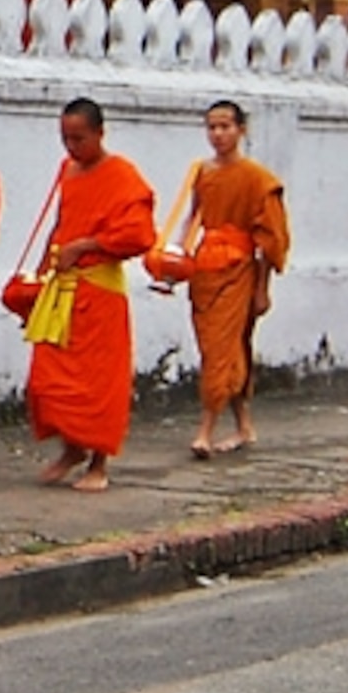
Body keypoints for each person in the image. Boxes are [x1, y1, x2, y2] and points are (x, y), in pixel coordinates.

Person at [23, 96, 157, 491]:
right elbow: (62, 221)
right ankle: (71, 448)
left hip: (99, 290)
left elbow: (138, 235)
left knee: (100, 382)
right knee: (46, 379)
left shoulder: (122, 175)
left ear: (101, 133)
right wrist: (45, 266)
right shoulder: (68, 170)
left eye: (79, 138)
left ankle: (98, 462)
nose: (71, 147)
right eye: (65, 138)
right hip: (62, 288)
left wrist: (83, 247)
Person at [146, 99, 289, 456]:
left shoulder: (258, 179)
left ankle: (206, 431)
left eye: (226, 126)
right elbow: (193, 219)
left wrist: (262, 290)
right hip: (205, 271)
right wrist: (174, 260)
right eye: (212, 127)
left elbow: (269, 241)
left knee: (220, 353)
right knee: (222, 350)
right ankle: (243, 426)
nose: (218, 134)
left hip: (239, 271)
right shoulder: (203, 172)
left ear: (242, 130)